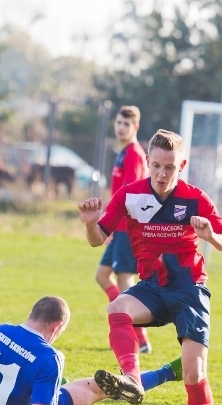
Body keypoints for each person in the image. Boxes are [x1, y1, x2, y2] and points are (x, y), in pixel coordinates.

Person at [78, 129, 222, 405]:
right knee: (117, 307)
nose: (162, 174)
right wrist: (91, 223)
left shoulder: (195, 198)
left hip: (189, 289)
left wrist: (212, 237)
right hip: (151, 286)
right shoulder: (129, 195)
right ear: (148, 162)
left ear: (181, 165)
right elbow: (97, 240)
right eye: (156, 166)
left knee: (194, 374)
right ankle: (132, 379)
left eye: (170, 167)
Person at [0, 296, 185, 405]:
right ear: (57, 326)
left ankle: (48, 388)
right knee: (97, 388)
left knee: (48, 386)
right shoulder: (50, 356)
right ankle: (168, 373)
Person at [96, 105, 151, 354]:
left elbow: (130, 194)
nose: (120, 128)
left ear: (135, 127)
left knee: (125, 280)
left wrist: (111, 224)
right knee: (102, 275)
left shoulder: (134, 155)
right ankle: (134, 330)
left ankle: (137, 337)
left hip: (127, 228)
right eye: (118, 123)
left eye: (126, 124)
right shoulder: (123, 152)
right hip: (117, 228)